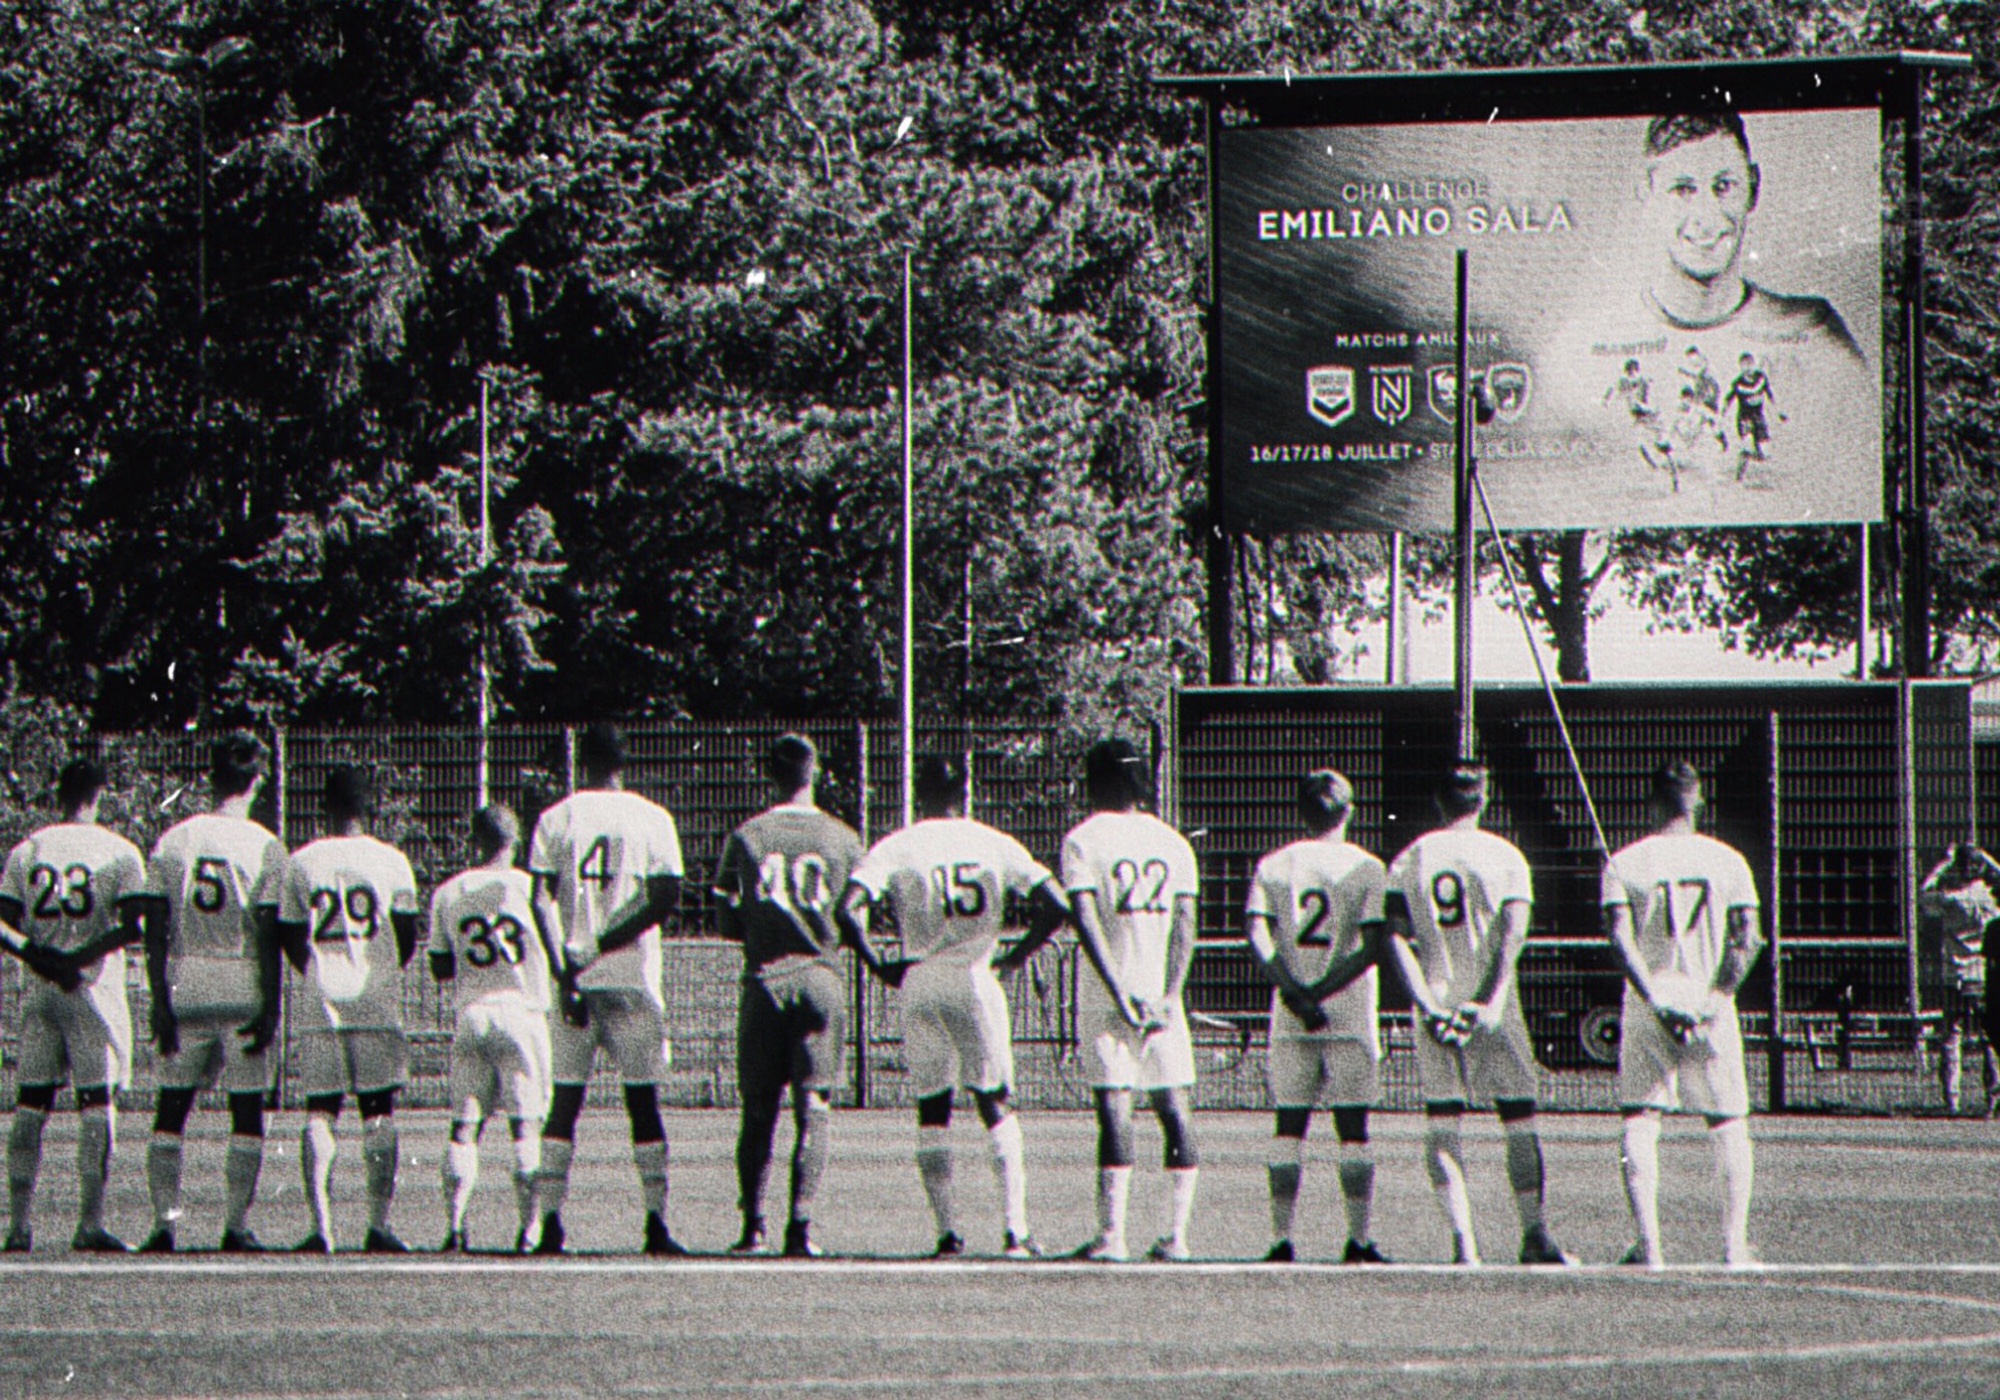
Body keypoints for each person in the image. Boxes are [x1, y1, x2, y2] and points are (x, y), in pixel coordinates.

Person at [837, 755, 1066, 1259]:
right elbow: (1058, 904)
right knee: (996, 1104)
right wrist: (1017, 954)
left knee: (932, 1109)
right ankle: (1016, 1232)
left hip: (919, 978)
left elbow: (846, 907)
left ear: (918, 794)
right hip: (973, 975)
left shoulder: (898, 844)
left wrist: (878, 964)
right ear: (965, 793)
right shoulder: (992, 841)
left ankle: (947, 1233)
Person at [1385, 764, 1572, 1267]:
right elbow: (1513, 932)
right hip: (1495, 1007)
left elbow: (1396, 935)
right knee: (1518, 1119)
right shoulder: (1505, 854)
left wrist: (1427, 1004)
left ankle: (1464, 1245)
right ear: (1484, 799)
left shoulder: (1411, 856)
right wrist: (1489, 1000)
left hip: (1437, 1000)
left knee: (1444, 1122)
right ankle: (1534, 1235)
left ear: (1438, 801)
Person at [528, 723, 686, 1256]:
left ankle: (549, 1222)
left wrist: (565, 968)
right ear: (626, 762)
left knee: (565, 1101)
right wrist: (604, 942)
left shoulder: (558, 816)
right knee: (643, 1101)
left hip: (577, 979)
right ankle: (655, 1224)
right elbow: (665, 898)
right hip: (632, 979)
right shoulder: (652, 817)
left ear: (582, 760)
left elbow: (539, 900)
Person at [1603, 761, 1766, 1269]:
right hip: (1709, 1004)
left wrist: (1655, 999)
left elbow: (1619, 938)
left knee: (1641, 1116)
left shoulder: (1625, 861)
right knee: (1728, 1121)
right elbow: (1748, 939)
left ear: (1652, 802)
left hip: (1651, 1000)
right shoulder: (1729, 860)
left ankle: (1649, 1246)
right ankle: (1733, 1246)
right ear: (1697, 802)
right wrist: (1713, 1004)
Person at [712, 734, 864, 1259]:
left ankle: (753, 1227)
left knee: (757, 1110)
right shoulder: (844, 838)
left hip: (765, 980)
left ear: (768, 773)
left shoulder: (748, 835)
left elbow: (724, 915)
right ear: (815, 772)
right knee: (813, 1105)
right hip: (820, 977)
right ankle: (800, 1227)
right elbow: (853, 914)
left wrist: (761, 929)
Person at [139, 733, 289, 1253]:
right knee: (245, 1112)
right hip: (242, 979)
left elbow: (154, 928)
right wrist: (272, 1004)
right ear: (257, 780)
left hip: (188, 981)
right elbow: (269, 933)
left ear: (210, 777)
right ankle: (236, 1225)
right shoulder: (265, 844)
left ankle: (163, 1224)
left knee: (171, 1109)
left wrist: (159, 998)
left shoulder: (175, 839)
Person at [1062, 738, 1203, 1263]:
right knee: (1174, 1107)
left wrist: (1118, 992)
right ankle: (1176, 1235)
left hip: (1109, 997)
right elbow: (1187, 924)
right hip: (1161, 999)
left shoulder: (1082, 839)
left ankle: (1112, 1236)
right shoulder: (1173, 842)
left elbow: (1086, 917)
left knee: (1115, 1107)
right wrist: (1170, 993)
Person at [1243, 769, 1390, 1265]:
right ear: (1350, 810)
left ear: (1300, 810)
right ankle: (1360, 1240)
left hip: (1292, 1014)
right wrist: (1324, 992)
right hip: (1347, 1012)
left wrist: (1295, 991)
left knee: (1289, 1126)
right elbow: (1372, 946)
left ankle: (1281, 1239)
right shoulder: (1368, 868)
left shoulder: (1276, 864)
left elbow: (1258, 934)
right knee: (1353, 1129)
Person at [0, 759, 148, 1253]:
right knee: (96, 1103)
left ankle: (18, 1225)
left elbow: (3, 923)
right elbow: (133, 925)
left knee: (31, 1104)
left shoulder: (29, 848)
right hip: (92, 990)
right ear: (100, 794)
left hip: (41, 989)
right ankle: (90, 1222)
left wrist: (40, 957)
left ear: (57, 794)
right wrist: (77, 960)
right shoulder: (119, 850)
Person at [276, 765, 422, 1253]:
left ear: (324, 806)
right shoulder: (392, 861)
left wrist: (317, 969)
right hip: (375, 997)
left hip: (321, 996)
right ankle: (378, 1226)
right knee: (377, 1110)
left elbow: (289, 933)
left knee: (320, 1110)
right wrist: (379, 966)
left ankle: (322, 1229)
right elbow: (406, 934)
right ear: (371, 807)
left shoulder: (302, 861)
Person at [428, 805, 559, 1253]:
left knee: (464, 1126)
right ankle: (529, 1230)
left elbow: (440, 964)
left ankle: (456, 1227)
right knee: (526, 1126)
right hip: (521, 1012)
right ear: (517, 839)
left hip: (473, 1012)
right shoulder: (531, 889)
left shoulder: (449, 891)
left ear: (474, 838)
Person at [1636, 111, 1863, 360]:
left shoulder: (1813, 333)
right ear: (1648, 196)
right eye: (1683, 190)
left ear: (1753, 187)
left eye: (1724, 186)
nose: (1707, 216)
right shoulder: (1605, 334)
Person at [1919, 842, 2000, 1116]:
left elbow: (1924, 893)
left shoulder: (1952, 898)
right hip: (1982, 974)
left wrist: (1944, 863)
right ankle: (1993, 1097)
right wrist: (1989, 860)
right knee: (1988, 1038)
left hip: (1954, 974)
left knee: (1952, 1036)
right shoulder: (1988, 900)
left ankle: (1952, 1100)